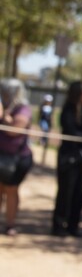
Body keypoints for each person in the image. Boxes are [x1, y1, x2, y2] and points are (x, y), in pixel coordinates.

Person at [52, 81, 82, 237]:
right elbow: (71, 132)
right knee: (66, 191)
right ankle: (58, 225)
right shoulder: (68, 110)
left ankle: (73, 226)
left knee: (80, 191)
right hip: (69, 157)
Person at [0, 78, 34, 236]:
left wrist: (4, 117)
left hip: (17, 160)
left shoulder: (23, 109)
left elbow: (14, 130)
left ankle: (10, 224)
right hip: (3, 157)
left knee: (11, 190)